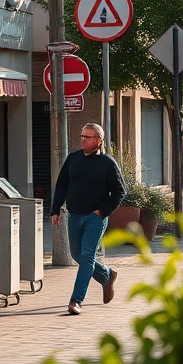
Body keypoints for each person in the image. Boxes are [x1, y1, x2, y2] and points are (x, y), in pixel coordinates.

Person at [49, 122, 125, 316]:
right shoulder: (73, 159)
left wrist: (103, 211)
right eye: (82, 136)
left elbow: (120, 192)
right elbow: (61, 185)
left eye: (87, 137)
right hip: (74, 216)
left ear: (98, 140)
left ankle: (76, 300)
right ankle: (107, 275)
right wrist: (55, 210)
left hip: (95, 218)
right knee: (77, 255)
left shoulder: (107, 163)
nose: (82, 140)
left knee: (87, 256)